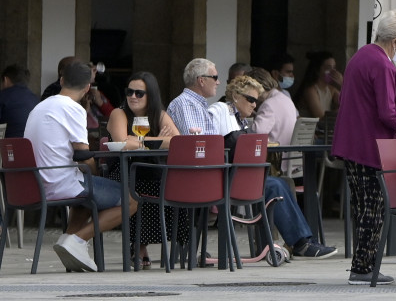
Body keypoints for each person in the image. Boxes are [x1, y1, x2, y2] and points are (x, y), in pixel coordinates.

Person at [169, 70, 337, 261]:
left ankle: (299, 241)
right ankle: (300, 243)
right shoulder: (220, 111)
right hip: (223, 179)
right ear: (235, 96)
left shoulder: (239, 119)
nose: (254, 105)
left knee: (280, 184)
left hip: (237, 176)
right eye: (250, 99)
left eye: (256, 101)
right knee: (275, 185)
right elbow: (218, 146)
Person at [23, 61, 138, 272]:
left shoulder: (39, 107)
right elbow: (83, 154)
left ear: (61, 80)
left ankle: (70, 240)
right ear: (88, 88)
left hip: (35, 183)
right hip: (59, 182)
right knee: (131, 200)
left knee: (84, 197)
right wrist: (94, 175)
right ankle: (76, 240)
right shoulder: (72, 108)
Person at [332, 9, 396, 285]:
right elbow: (386, 112)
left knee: (362, 206)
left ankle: (362, 264)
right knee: (374, 207)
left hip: (352, 143)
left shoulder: (362, 55)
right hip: (371, 146)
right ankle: (362, 268)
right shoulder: (382, 64)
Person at [106, 71, 183, 268]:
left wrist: (140, 140)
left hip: (151, 169)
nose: (133, 96)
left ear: (151, 96)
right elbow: (122, 142)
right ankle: (139, 246)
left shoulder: (159, 114)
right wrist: (159, 140)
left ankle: (145, 244)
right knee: (143, 186)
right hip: (124, 170)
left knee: (169, 186)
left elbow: (177, 141)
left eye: (139, 93)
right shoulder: (119, 113)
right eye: (129, 92)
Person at [296, 52, 343, 119]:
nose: (333, 71)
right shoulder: (310, 90)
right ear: (317, 70)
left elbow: (349, 103)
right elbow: (321, 117)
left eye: (334, 67)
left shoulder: (331, 89)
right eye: (328, 68)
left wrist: (342, 85)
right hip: (309, 128)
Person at [0, 63, 40, 138]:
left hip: (8, 146)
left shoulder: (3, 96)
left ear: (6, 80)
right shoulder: (36, 99)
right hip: (31, 146)